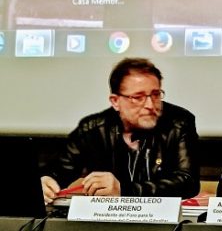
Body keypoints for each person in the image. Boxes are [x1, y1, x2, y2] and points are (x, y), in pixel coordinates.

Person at [41, 57, 199, 203]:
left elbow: (187, 181)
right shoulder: (93, 129)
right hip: (104, 224)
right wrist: (47, 181)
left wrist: (125, 190)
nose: (150, 105)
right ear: (115, 101)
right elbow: (59, 170)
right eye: (138, 97)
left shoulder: (179, 123)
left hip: (163, 223)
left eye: (156, 95)